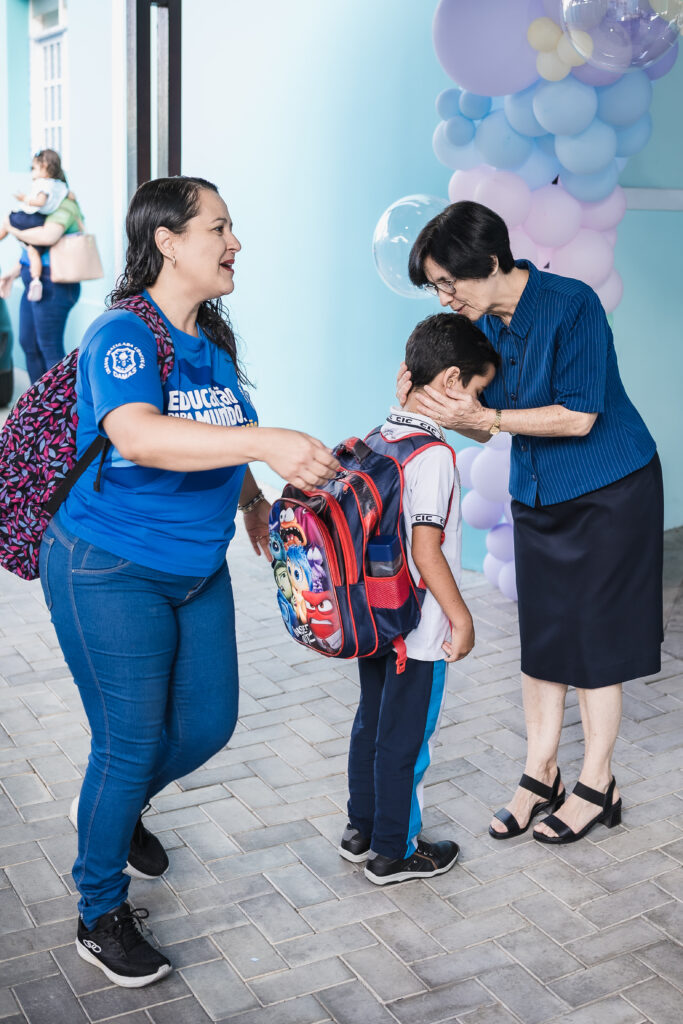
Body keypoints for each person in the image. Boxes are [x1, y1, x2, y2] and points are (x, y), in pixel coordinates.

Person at [38, 175, 340, 987]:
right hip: (109, 567)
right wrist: (270, 442)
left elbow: (219, 427)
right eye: (219, 227)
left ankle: (115, 802)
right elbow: (137, 435)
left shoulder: (210, 340)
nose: (234, 242)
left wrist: (250, 498)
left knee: (207, 725)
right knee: (130, 742)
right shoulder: (120, 335)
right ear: (167, 241)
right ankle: (98, 909)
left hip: (196, 568)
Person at [400, 200, 662, 847]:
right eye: (436, 286)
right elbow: (458, 390)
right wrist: (423, 391)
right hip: (538, 494)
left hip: (609, 488)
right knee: (543, 636)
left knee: (594, 642)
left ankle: (597, 784)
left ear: (489, 261)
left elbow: (578, 417)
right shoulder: (481, 325)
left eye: (446, 282)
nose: (443, 295)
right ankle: (539, 772)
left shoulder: (571, 306)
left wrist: (485, 422)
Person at [340, 312, 499, 885]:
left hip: (374, 618)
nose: (476, 407)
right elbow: (425, 549)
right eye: (478, 392)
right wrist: (461, 617)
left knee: (372, 724)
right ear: (453, 382)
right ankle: (395, 851)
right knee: (405, 739)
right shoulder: (433, 456)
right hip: (418, 629)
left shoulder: (378, 437)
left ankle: (361, 831)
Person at [0, 153, 83, 382]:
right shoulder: (42, 209)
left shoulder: (66, 205)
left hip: (54, 285)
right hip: (33, 282)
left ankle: (63, 409)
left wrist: (12, 229)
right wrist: (12, 272)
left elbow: (47, 237)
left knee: (49, 347)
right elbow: (32, 248)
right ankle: (39, 404)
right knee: (28, 342)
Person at [0, 149, 68, 299]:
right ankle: (36, 281)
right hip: (39, 221)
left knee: (8, 218)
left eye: (34, 168)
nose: (32, 173)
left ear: (44, 167)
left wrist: (24, 198)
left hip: (32, 218)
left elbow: (40, 202)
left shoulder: (44, 185)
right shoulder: (60, 186)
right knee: (32, 250)